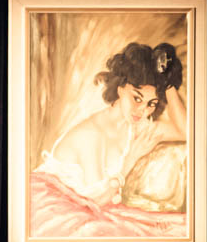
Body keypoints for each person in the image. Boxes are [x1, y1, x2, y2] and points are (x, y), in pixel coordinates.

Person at [36, 42, 187, 209]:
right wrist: (131, 159)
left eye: (151, 103)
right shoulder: (91, 134)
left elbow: (186, 132)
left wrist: (168, 83)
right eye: (136, 98)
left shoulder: (135, 126)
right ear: (120, 89)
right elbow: (96, 203)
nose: (142, 110)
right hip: (62, 210)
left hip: (96, 211)